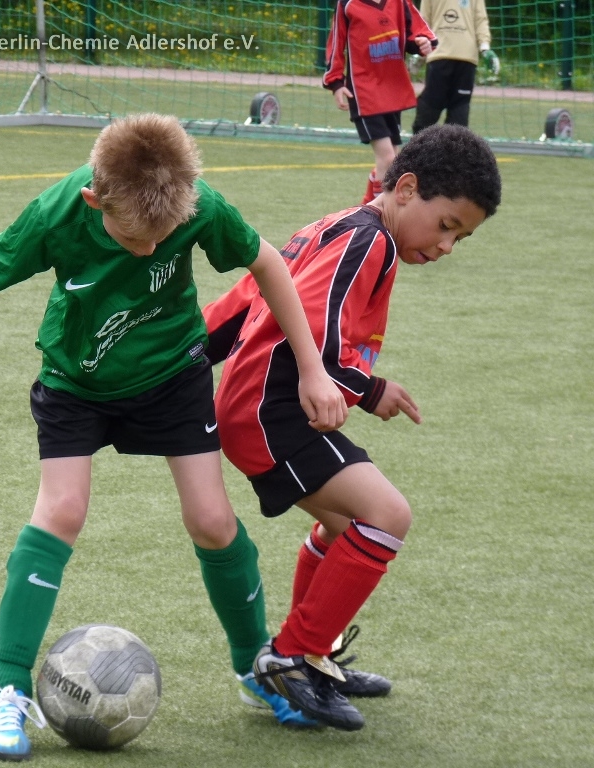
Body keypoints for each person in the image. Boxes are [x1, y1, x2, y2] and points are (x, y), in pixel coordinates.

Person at [0, 113, 355, 760]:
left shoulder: (196, 204)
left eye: (163, 238)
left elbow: (269, 264)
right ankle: (1, 692)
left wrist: (312, 369)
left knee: (213, 520)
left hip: (172, 375)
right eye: (133, 236)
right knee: (62, 511)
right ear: (93, 199)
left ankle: (257, 669)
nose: (148, 250)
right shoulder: (58, 213)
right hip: (75, 381)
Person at [202, 124, 501, 731]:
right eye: (447, 225)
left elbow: (250, 296)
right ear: (406, 189)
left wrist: (194, 351)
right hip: (272, 410)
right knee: (388, 516)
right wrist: (370, 390)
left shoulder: (337, 225)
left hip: (260, 406)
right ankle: (291, 657)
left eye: (461, 238)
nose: (448, 246)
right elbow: (313, 336)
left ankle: (316, 655)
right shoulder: (369, 243)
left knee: (346, 530)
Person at [323, 0, 437, 205]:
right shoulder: (347, 4)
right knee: (387, 159)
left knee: (395, 161)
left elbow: (417, 32)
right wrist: (336, 82)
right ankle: (378, 216)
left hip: (392, 90)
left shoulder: (400, 2)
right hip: (364, 91)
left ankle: (367, 204)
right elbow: (336, 43)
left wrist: (423, 42)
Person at [412, 0, 495, 132]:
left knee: (458, 117)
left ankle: (449, 146)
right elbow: (423, 21)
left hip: (466, 57)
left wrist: (485, 47)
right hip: (439, 55)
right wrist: (419, 53)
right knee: (428, 112)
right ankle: (421, 144)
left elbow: (480, 19)